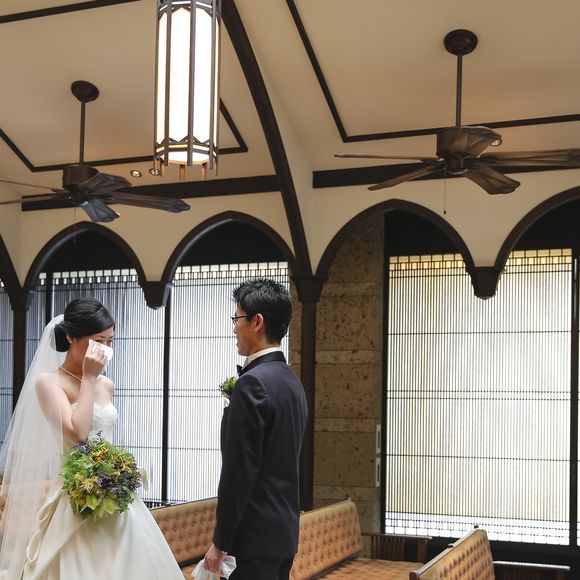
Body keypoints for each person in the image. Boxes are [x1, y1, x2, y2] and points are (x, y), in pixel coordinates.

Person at [0, 298, 183, 580]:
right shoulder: (49, 382)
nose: (106, 350)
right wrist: (88, 378)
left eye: (110, 341)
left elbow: (104, 438)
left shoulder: (106, 384)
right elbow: (78, 434)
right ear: (71, 337)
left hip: (113, 492)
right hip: (74, 495)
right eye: (98, 341)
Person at [204, 279, 308, 580]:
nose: (234, 328)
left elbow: (239, 471)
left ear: (257, 322)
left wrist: (221, 542)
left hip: (253, 539)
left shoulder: (253, 383)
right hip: (283, 533)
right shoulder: (291, 381)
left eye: (237, 318)